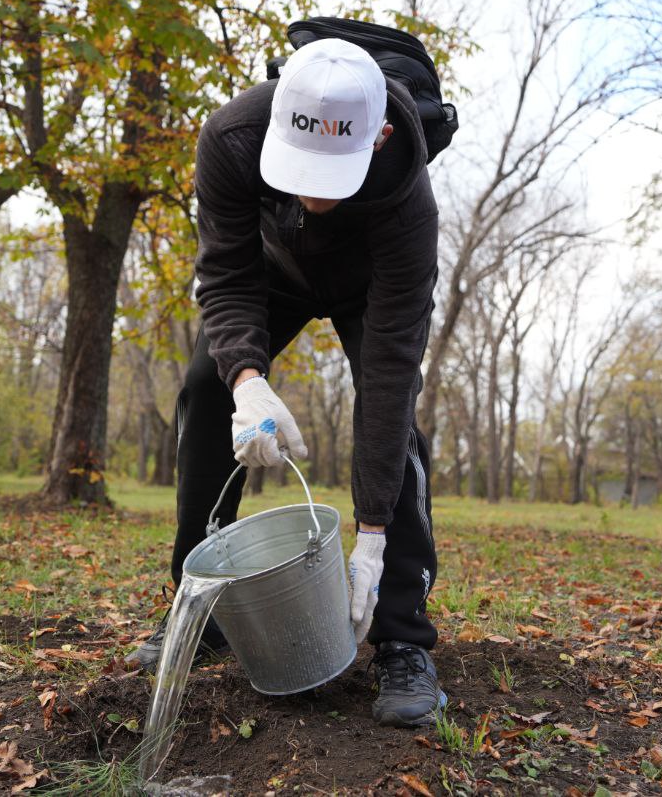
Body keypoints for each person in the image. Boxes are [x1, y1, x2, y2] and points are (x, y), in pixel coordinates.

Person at [131, 38, 443, 727]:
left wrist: (370, 535)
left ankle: (401, 636)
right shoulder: (232, 139)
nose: (312, 191)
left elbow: (390, 372)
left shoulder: (408, 208)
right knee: (207, 387)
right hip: (273, 273)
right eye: (301, 168)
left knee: (398, 426)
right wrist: (247, 381)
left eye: (332, 173)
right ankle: (202, 610)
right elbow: (226, 276)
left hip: (370, 287)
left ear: (379, 136)